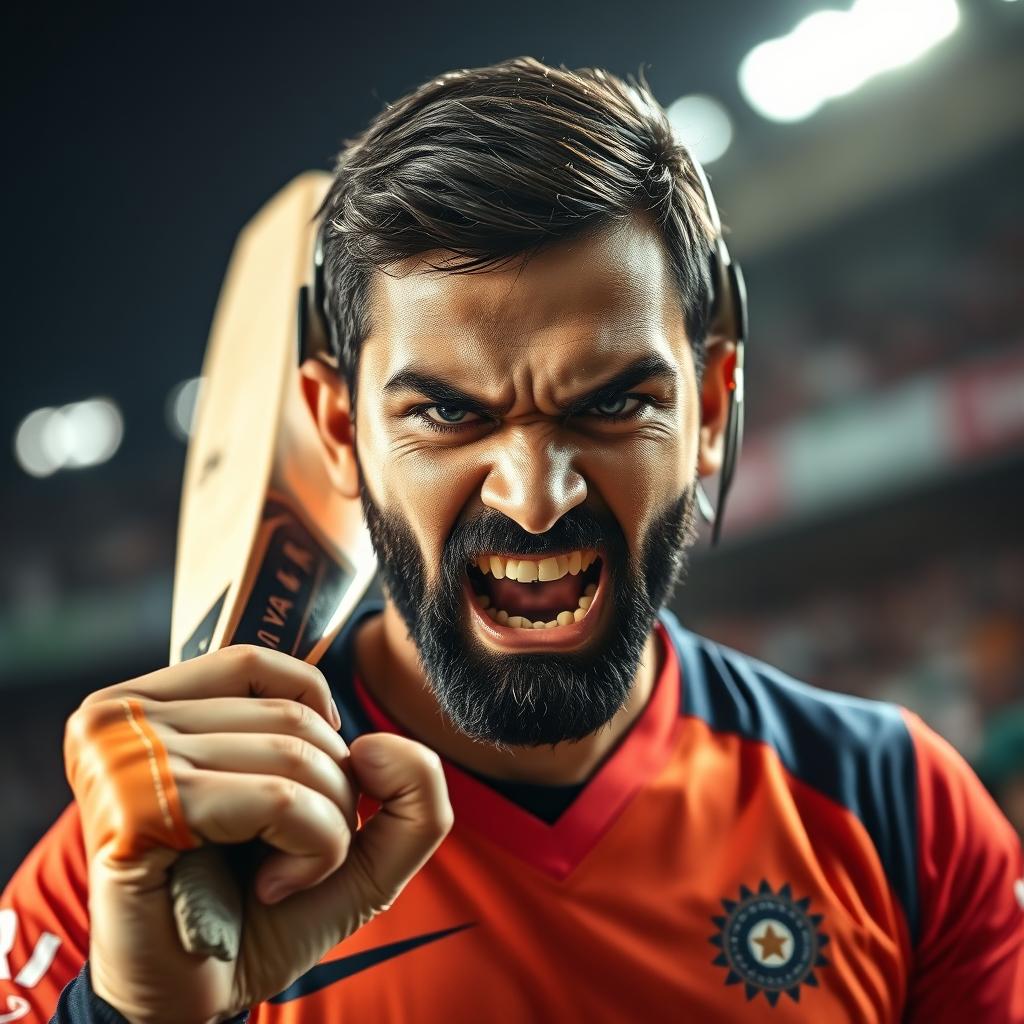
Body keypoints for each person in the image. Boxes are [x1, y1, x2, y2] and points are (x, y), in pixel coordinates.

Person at [2, 57, 1022, 1024]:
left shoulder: (901, 810)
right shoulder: (127, 860)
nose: (535, 498)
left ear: (711, 404)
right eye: (447, 414)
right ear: (337, 430)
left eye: (614, 401)